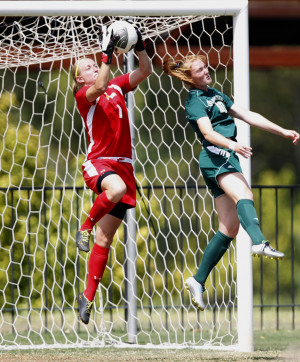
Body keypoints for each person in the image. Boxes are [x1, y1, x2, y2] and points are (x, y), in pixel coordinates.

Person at [163, 54, 299, 311]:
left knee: (229, 228)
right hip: (216, 157)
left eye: (205, 66)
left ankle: (197, 279)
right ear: (191, 77)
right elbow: (207, 133)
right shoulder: (194, 101)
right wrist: (232, 144)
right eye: (201, 69)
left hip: (223, 157)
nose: (206, 70)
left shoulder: (215, 93)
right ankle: (259, 242)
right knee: (244, 194)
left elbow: (247, 114)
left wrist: (282, 131)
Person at [72, 26, 152, 324]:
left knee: (105, 240)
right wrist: (107, 55)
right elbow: (101, 84)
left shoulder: (117, 85)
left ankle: (87, 298)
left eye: (96, 63)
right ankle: (84, 225)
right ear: (81, 79)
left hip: (124, 166)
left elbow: (145, 70)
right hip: (100, 163)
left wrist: (139, 43)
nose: (95, 66)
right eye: (89, 67)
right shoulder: (85, 95)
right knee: (114, 190)